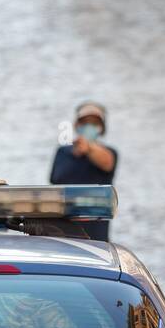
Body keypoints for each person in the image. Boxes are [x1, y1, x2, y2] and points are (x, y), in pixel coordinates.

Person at [49, 102, 117, 242]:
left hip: (96, 231)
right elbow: (55, 179)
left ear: (101, 128)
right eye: (85, 122)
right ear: (77, 125)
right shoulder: (63, 152)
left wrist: (89, 148)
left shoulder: (109, 153)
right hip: (64, 228)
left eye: (94, 123)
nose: (89, 126)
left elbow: (107, 163)